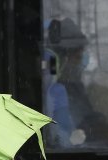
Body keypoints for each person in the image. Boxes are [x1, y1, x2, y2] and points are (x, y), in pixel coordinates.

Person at [44, 18, 103, 147]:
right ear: (62, 60)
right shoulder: (52, 93)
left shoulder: (75, 87)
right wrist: (71, 140)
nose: (81, 64)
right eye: (78, 57)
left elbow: (87, 118)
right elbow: (56, 139)